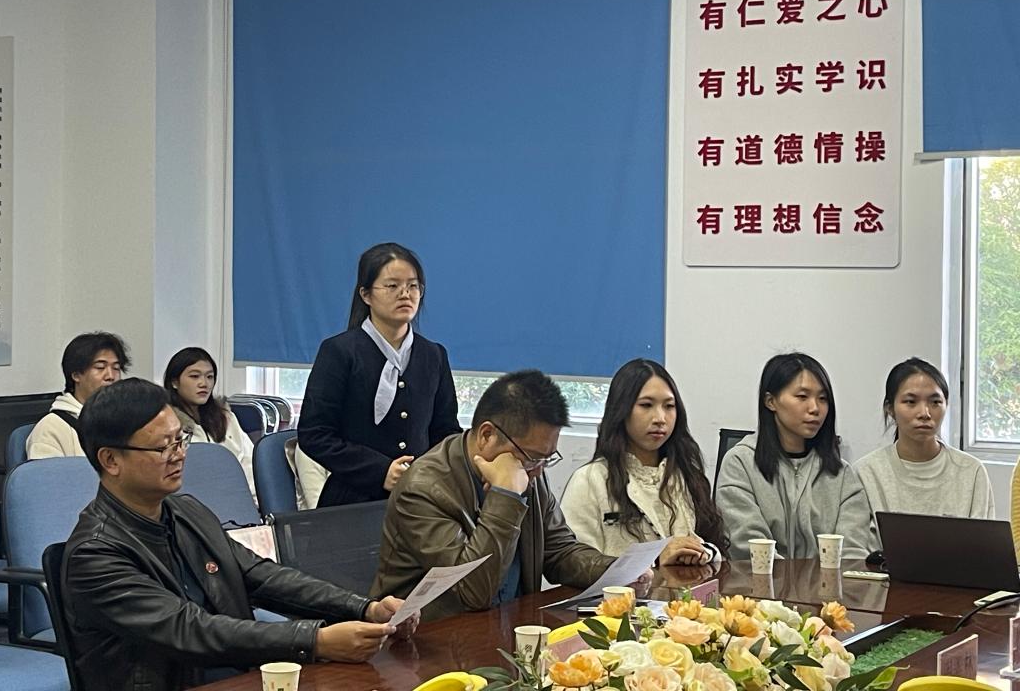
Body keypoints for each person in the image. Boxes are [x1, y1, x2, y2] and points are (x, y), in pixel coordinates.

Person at [62, 378, 417, 691]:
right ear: (110, 460)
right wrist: (316, 640)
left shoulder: (185, 511)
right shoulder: (95, 553)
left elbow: (260, 576)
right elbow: (190, 630)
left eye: (180, 439)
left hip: (236, 674)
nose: (179, 455)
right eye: (162, 447)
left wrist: (364, 607)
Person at [370, 370, 619, 621]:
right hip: (433, 633)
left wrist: (618, 571)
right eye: (532, 457)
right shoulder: (422, 488)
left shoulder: (530, 473)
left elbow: (559, 552)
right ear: (487, 435)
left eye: (547, 458)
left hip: (507, 624)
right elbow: (474, 592)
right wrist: (506, 495)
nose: (538, 471)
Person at [298, 242, 461, 507]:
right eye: (392, 286)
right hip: (352, 501)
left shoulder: (434, 355)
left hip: (420, 499)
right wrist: (380, 471)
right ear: (366, 295)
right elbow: (314, 434)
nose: (405, 294)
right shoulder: (339, 351)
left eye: (413, 286)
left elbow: (446, 431)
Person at [561, 359, 728, 564]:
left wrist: (703, 552)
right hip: (621, 587)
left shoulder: (687, 475)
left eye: (669, 406)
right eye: (646, 405)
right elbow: (575, 565)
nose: (660, 418)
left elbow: (719, 549)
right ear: (621, 410)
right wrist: (655, 558)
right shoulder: (589, 481)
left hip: (690, 585)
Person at [716, 352, 874, 560]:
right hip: (760, 580)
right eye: (802, 397)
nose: (815, 408)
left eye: (823, 399)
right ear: (770, 401)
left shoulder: (842, 474)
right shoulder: (740, 464)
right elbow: (749, 546)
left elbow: (851, 553)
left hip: (830, 581)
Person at [855, 357, 993, 519]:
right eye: (910, 402)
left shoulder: (971, 471)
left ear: (946, 405)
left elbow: (982, 534)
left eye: (935, 402)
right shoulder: (866, 472)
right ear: (890, 408)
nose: (924, 413)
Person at [163, 347, 257, 502]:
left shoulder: (225, 418)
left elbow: (250, 462)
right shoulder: (167, 425)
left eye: (210, 377)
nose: (204, 383)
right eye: (194, 376)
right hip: (193, 505)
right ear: (174, 382)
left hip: (241, 501)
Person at [27, 331, 130, 459]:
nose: (111, 376)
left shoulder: (124, 422)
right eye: (100, 367)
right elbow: (47, 471)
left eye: (116, 368)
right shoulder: (51, 428)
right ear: (76, 375)